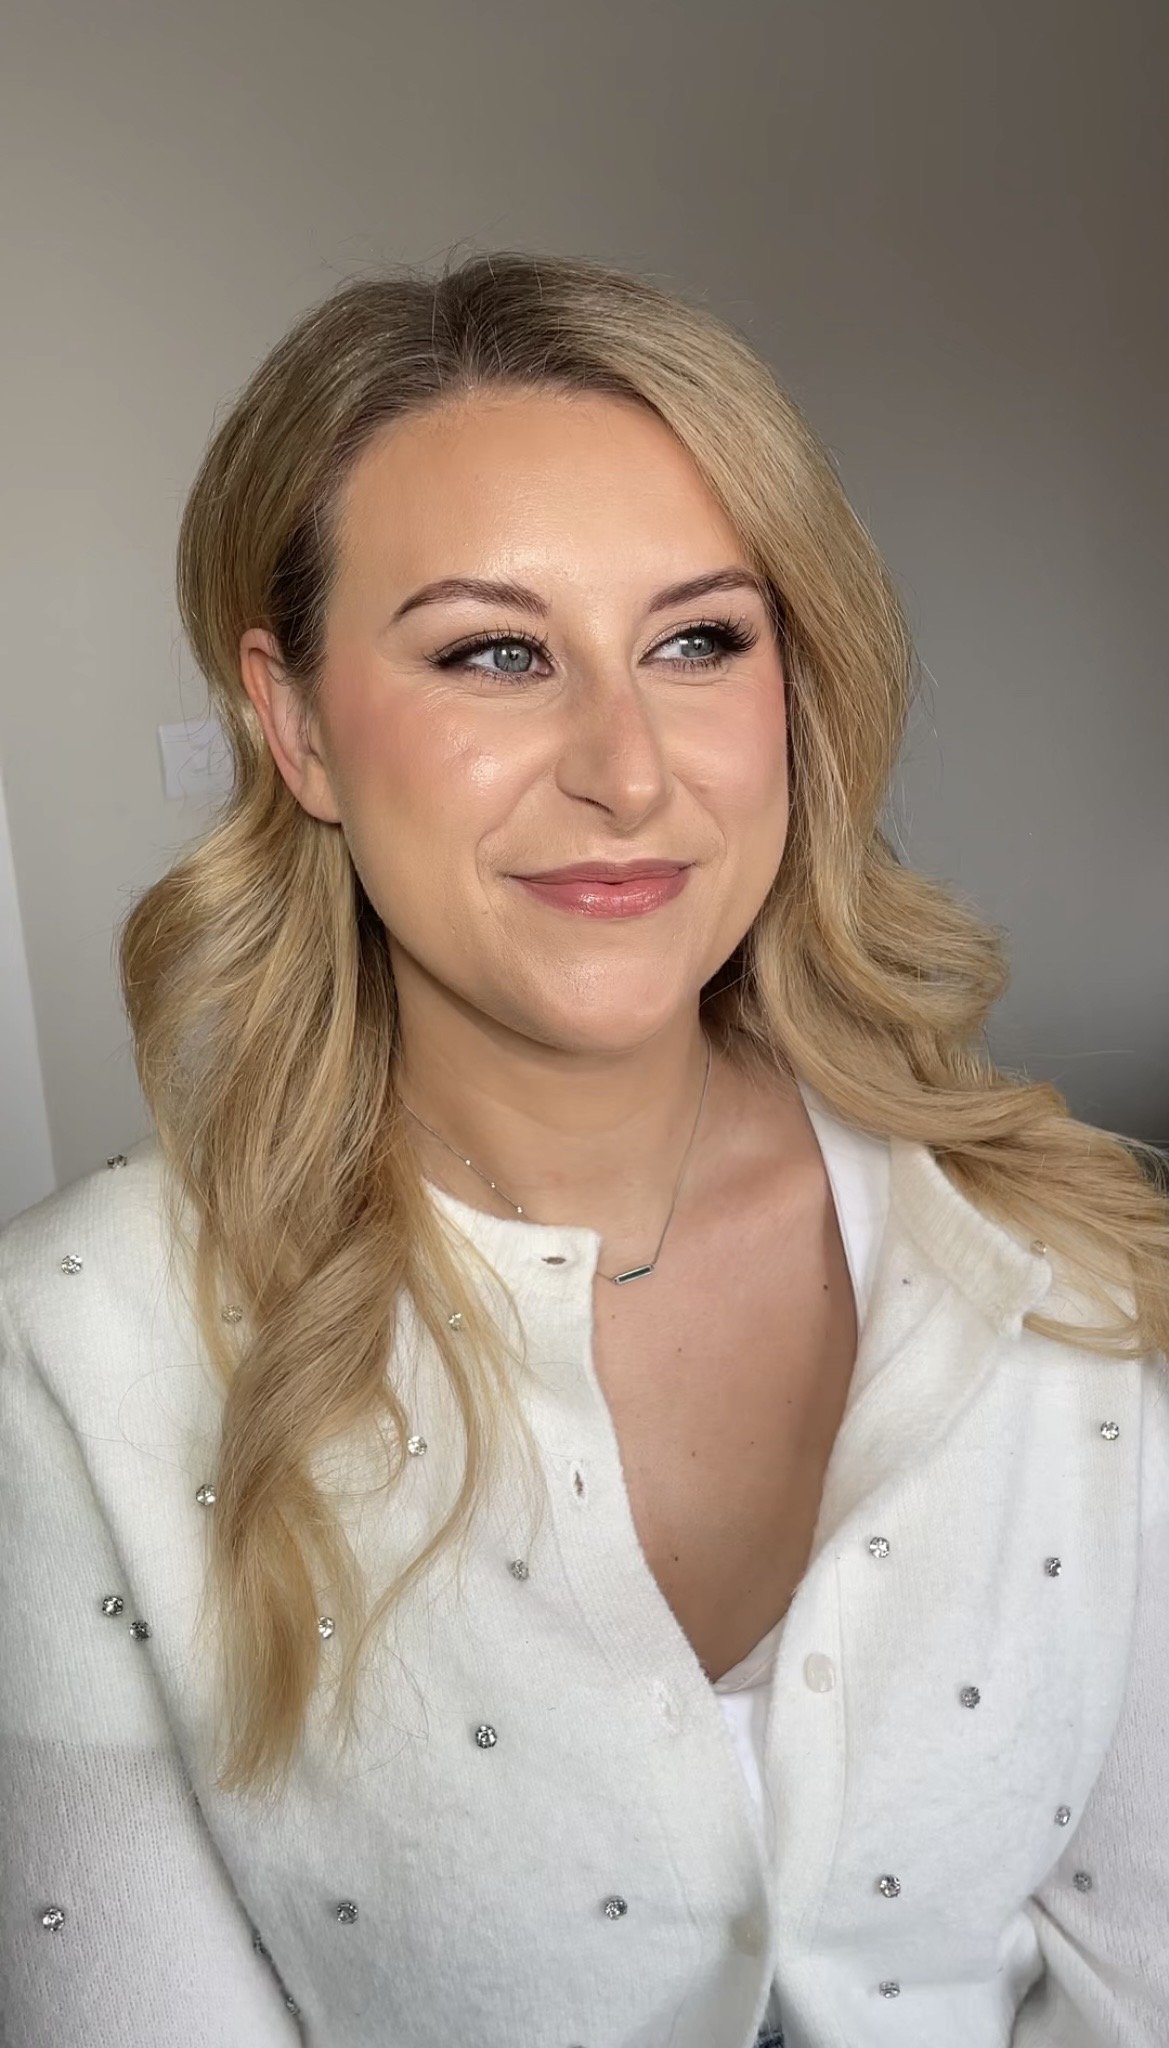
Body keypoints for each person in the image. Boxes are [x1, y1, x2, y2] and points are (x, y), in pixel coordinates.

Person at [1, 248, 1166, 2048]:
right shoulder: (79, 1348)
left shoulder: (1057, 1266)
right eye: (494, 653)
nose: (626, 770)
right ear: (295, 723)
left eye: (699, 641)